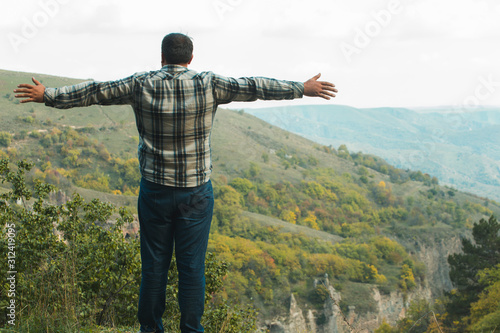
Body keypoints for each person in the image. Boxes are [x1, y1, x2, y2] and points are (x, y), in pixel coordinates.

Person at [14, 33, 337, 333]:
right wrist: (301, 88)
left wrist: (49, 95)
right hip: (196, 193)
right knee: (192, 269)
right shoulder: (210, 84)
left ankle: (151, 329)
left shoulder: (140, 83)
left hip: (155, 190)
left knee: (154, 266)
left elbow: (96, 91)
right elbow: (255, 86)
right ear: (191, 58)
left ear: (162, 57)